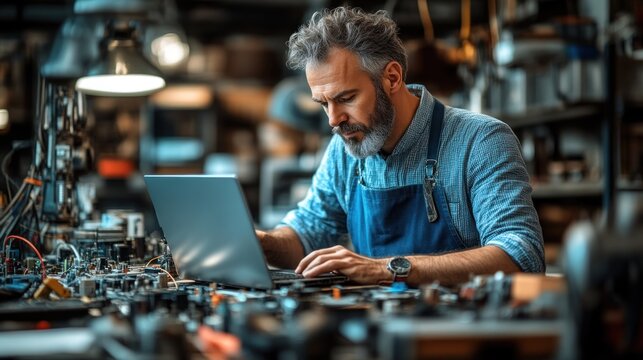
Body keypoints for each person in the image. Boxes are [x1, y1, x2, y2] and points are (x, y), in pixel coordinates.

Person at [256, 6, 544, 286]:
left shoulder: (480, 141)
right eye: (324, 104)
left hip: (461, 328)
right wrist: (261, 242)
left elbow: (521, 256)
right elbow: (307, 233)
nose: (334, 120)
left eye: (346, 98)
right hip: (374, 325)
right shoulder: (343, 150)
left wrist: (389, 269)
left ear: (392, 78)